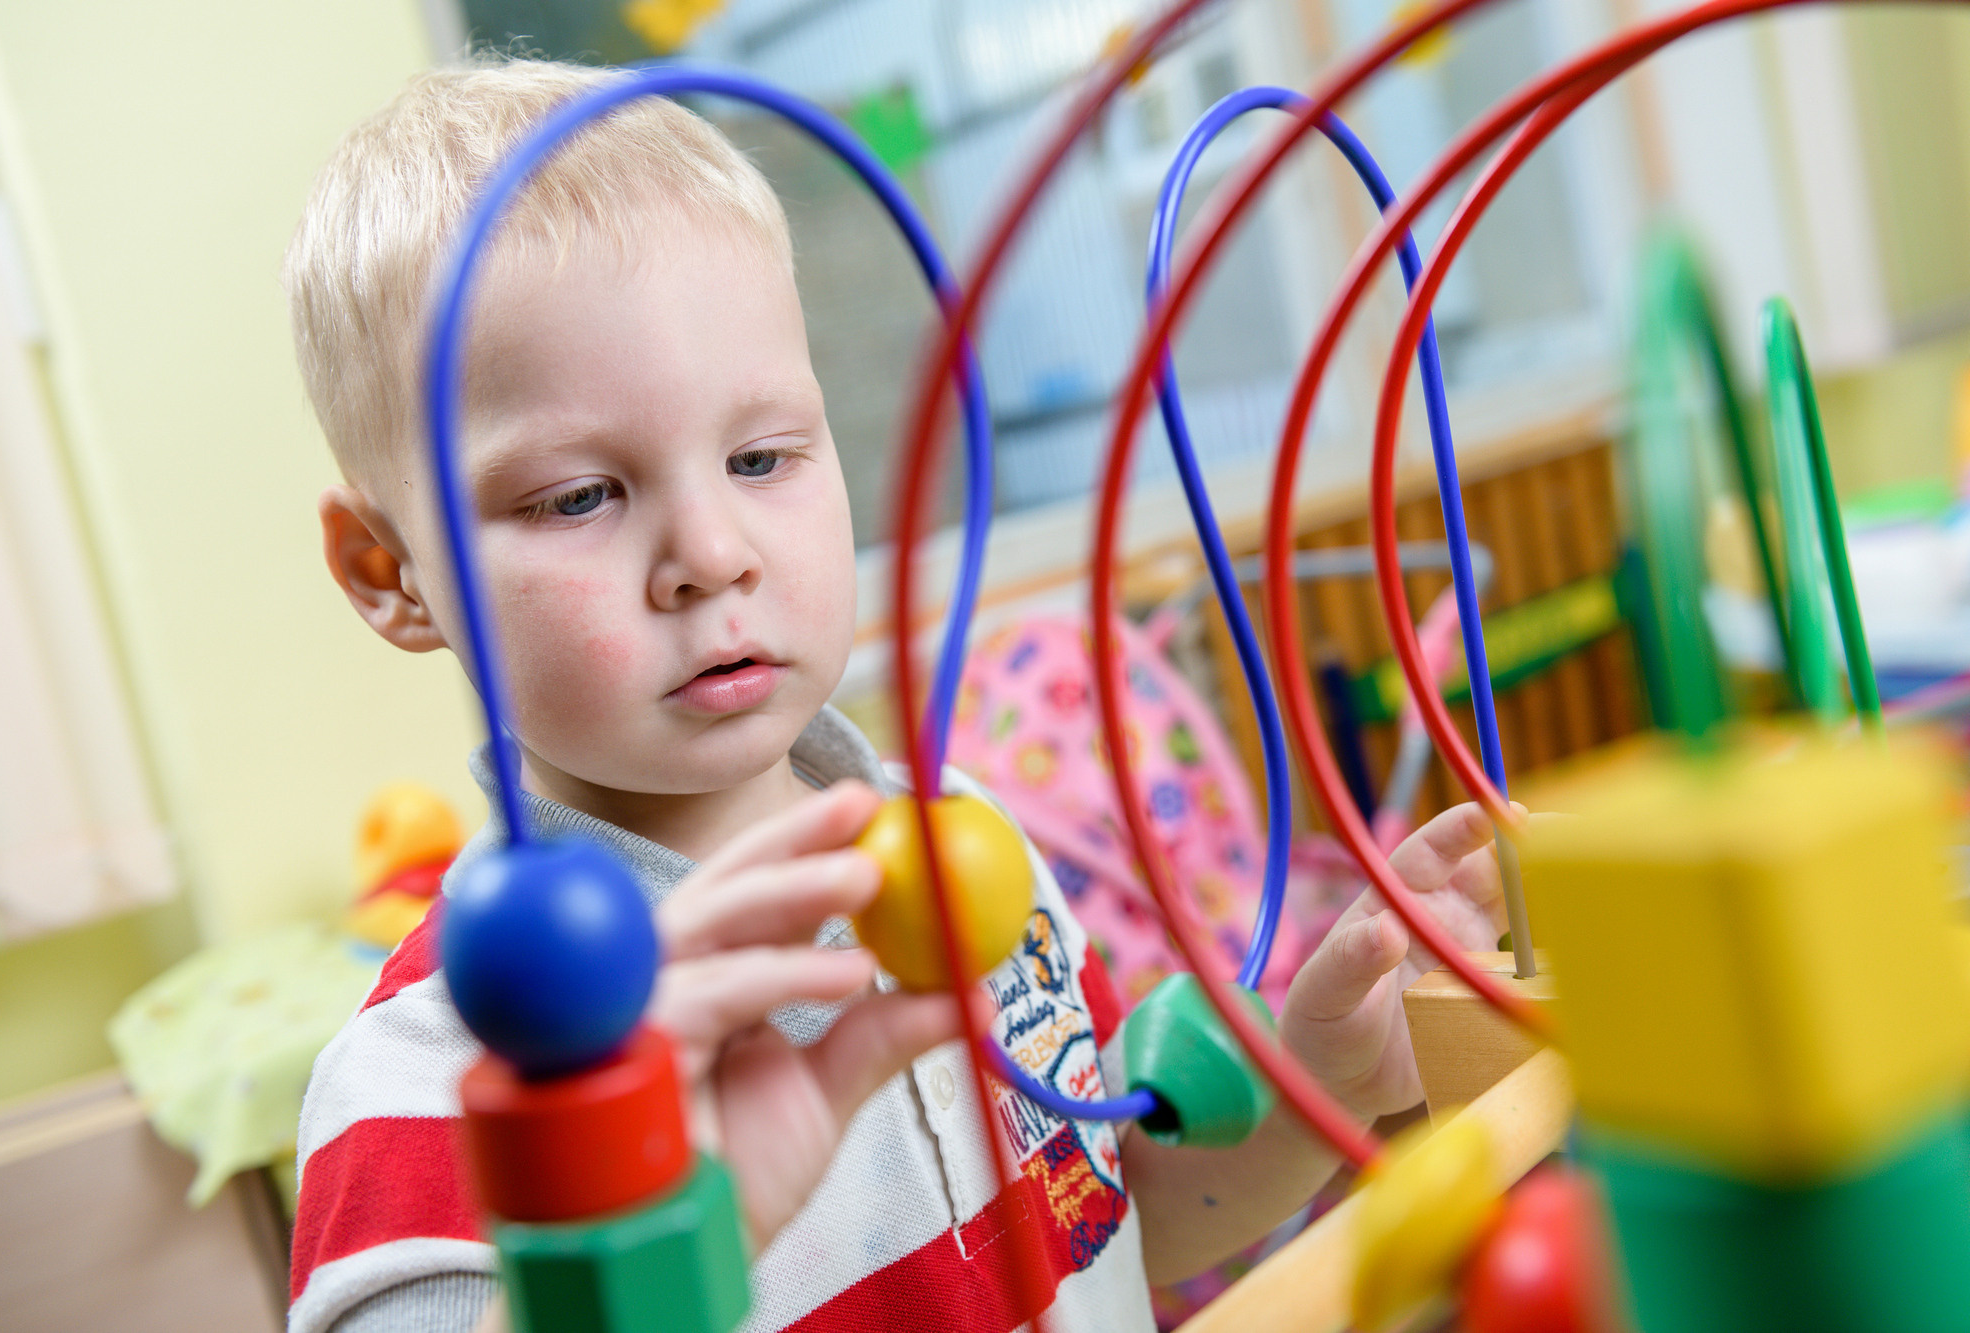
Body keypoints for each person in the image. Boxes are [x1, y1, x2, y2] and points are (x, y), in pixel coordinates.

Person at [283, 57, 1516, 1333]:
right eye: (579, 496)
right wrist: (623, 1245)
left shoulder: (965, 850)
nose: (713, 553)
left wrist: (1324, 1077)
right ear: (393, 576)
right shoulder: (421, 1089)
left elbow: (1116, 1220)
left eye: (759, 456)